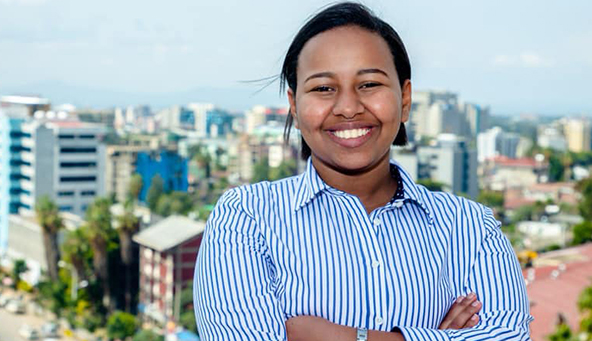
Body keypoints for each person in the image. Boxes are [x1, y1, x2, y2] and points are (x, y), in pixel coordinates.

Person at [193, 2, 532, 341]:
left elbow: (509, 336)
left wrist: (344, 337)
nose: (349, 108)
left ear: (405, 99)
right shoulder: (247, 218)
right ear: (295, 107)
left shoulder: (470, 228)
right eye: (324, 88)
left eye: (369, 84)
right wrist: (433, 337)